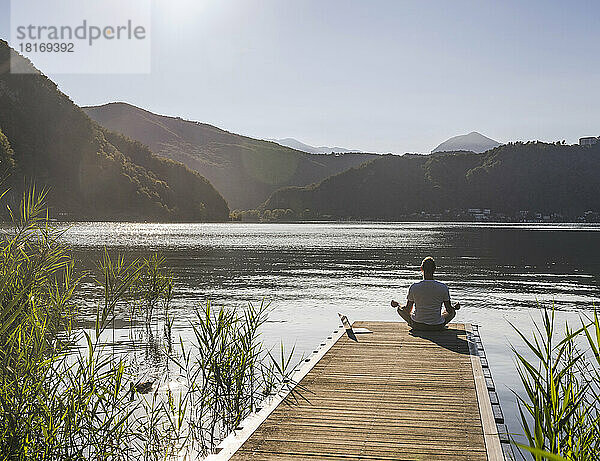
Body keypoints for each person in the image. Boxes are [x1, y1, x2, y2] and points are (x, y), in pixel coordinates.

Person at [391, 256, 460, 330]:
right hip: (437, 326)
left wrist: (398, 304)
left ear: (421, 269)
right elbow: (449, 310)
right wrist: (455, 307)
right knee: (452, 313)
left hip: (417, 325)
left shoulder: (414, 287)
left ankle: (414, 322)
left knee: (399, 309)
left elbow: (408, 310)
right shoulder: (443, 287)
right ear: (434, 269)